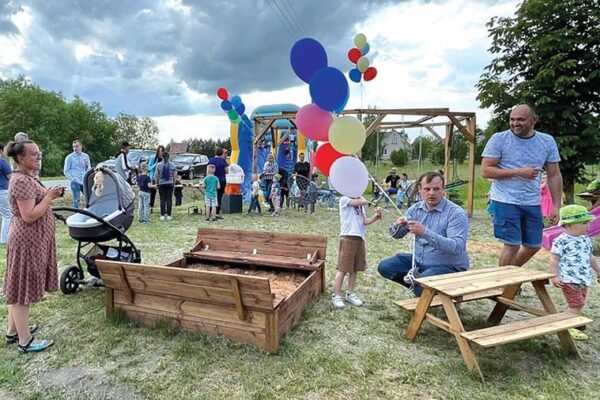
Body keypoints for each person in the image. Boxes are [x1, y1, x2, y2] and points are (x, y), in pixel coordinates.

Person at [481, 104, 562, 267]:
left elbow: (554, 174)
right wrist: (519, 172)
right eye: (512, 119)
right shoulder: (499, 139)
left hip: (532, 201)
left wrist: (556, 205)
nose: (515, 123)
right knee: (511, 244)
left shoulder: (547, 141)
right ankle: (502, 286)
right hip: (505, 200)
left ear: (534, 120)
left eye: (520, 120)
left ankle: (510, 277)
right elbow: (485, 170)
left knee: (533, 246)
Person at [4, 140, 62, 353]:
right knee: (22, 290)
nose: (39, 157)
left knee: (18, 285)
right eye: (34, 154)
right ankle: (25, 341)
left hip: (31, 240)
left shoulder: (28, 178)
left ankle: (13, 331)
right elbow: (29, 215)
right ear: (21, 158)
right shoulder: (20, 181)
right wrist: (49, 196)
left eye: (40, 153)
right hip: (26, 242)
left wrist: (50, 193)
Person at [377, 171, 470, 296]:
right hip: (420, 262)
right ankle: (420, 289)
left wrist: (425, 232)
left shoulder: (455, 213)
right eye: (427, 189)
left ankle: (434, 292)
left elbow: (457, 247)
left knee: (421, 285)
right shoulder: (415, 209)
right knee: (386, 267)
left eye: (436, 189)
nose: (431, 193)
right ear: (420, 189)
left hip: (449, 266)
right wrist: (397, 225)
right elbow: (396, 235)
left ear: (443, 189)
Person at [549, 204, 600, 341]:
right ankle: (569, 328)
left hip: (583, 278)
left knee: (578, 302)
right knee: (576, 304)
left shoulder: (585, 239)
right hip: (569, 279)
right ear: (570, 225)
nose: (588, 226)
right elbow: (554, 259)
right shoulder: (561, 241)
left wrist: (598, 271)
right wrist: (554, 275)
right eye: (584, 223)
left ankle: (569, 318)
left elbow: (590, 257)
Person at [332, 196, 382, 308]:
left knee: (355, 268)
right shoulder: (344, 199)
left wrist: (376, 217)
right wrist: (369, 201)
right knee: (343, 269)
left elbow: (364, 221)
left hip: (360, 237)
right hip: (347, 237)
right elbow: (363, 201)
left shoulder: (360, 203)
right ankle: (336, 295)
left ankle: (350, 293)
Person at [63, 140, 91, 208]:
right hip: (75, 181)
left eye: (77, 146)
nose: (75, 148)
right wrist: (73, 179)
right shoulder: (69, 157)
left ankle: (90, 210)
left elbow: (88, 167)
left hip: (84, 180)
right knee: (76, 200)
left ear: (81, 146)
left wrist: (88, 176)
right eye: (73, 147)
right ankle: (77, 212)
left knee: (89, 197)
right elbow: (66, 170)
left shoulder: (85, 156)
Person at [207, 148, 228, 220]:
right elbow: (227, 171)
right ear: (222, 153)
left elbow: (207, 171)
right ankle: (217, 213)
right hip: (221, 180)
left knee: (210, 196)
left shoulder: (211, 160)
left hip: (211, 180)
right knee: (219, 197)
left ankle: (209, 212)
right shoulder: (223, 161)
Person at [156, 151, 176, 221]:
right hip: (170, 183)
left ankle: (162, 215)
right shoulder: (173, 165)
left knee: (162, 199)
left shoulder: (158, 165)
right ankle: (169, 215)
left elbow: (157, 175)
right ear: (169, 157)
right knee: (169, 199)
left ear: (162, 157)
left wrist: (157, 183)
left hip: (161, 184)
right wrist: (174, 183)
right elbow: (174, 176)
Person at [0, 142, 12, 244]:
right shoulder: (2, 162)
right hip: (2, 191)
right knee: (7, 215)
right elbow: (10, 177)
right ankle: (5, 239)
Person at [147, 145, 165, 213]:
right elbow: (148, 167)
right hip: (154, 178)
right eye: (159, 150)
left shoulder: (164, 158)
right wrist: (155, 165)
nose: (160, 152)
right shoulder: (153, 158)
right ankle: (151, 207)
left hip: (162, 178)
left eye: (162, 151)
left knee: (162, 193)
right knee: (152, 193)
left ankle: (163, 208)